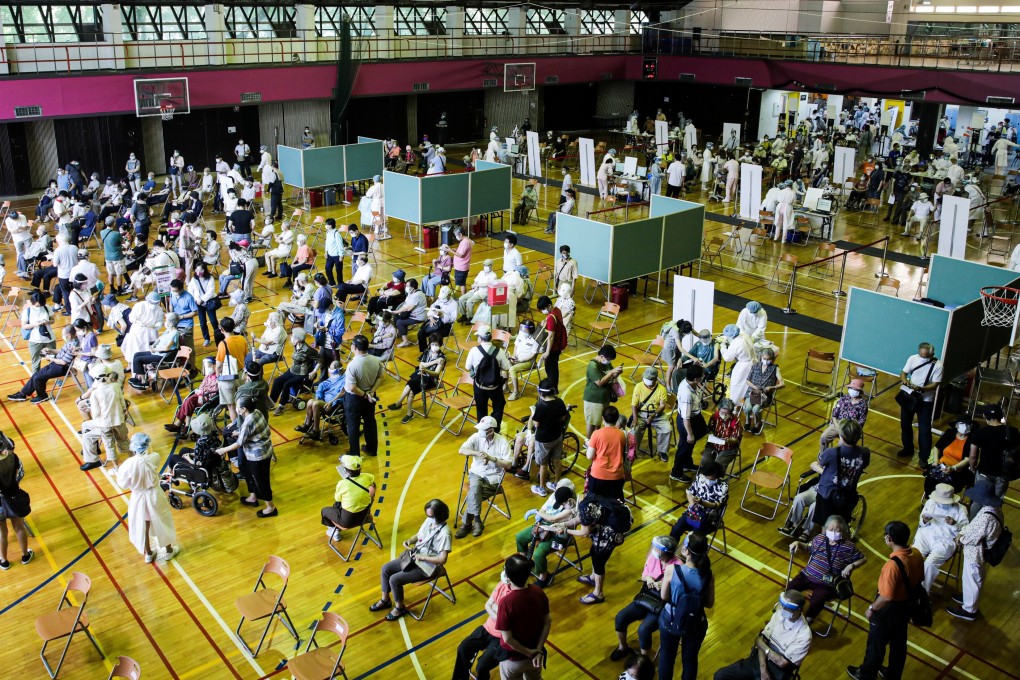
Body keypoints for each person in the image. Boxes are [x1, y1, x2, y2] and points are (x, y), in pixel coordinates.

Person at [846, 521, 923, 680]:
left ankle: (866, 675)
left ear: (889, 539)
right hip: (905, 607)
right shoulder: (916, 554)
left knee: (876, 646)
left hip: (888, 610)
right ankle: (893, 675)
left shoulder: (892, 566)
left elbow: (887, 596)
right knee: (899, 645)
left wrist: (872, 608)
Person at [370, 499, 452, 621]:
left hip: (428, 567)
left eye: (431, 515)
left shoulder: (445, 534)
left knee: (394, 579)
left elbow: (442, 559)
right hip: (415, 557)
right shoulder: (429, 520)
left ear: (439, 516)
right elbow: (419, 536)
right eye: (427, 515)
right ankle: (385, 599)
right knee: (386, 569)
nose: (428, 517)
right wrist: (410, 540)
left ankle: (400, 607)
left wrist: (423, 557)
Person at [712, 590, 812, 680]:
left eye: (788, 607)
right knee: (720, 676)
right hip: (760, 660)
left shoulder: (804, 635)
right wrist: (763, 669)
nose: (783, 609)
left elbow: (782, 663)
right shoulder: (779, 613)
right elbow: (762, 639)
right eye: (782, 605)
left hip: (777, 672)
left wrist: (763, 646)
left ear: (799, 610)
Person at [611, 536, 682, 661]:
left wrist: (666, 585)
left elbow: (679, 591)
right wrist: (648, 578)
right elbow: (644, 575)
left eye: (656, 548)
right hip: (647, 597)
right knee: (620, 617)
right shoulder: (653, 558)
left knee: (643, 630)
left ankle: (644, 661)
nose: (653, 549)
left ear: (664, 552)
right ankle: (622, 647)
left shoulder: (679, 567)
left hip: (663, 604)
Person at [787, 515, 866, 622]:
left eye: (836, 530)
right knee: (790, 588)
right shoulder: (819, 538)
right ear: (826, 529)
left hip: (827, 584)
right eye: (830, 529)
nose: (833, 532)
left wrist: (851, 566)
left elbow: (863, 558)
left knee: (816, 600)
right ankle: (791, 612)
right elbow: (808, 548)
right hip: (807, 576)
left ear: (842, 530)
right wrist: (798, 543)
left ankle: (808, 621)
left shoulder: (849, 547)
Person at [657, 532, 713, 680]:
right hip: (696, 622)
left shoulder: (672, 570)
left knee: (667, 657)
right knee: (690, 660)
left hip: (671, 618)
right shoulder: (707, 574)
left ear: (686, 550)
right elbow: (709, 603)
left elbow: (664, 597)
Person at [946, 482, 1005, 621]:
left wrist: (960, 539)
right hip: (981, 551)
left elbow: (973, 536)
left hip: (976, 553)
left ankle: (969, 609)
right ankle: (968, 597)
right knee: (972, 578)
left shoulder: (986, 516)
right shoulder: (995, 509)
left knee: (972, 578)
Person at [116, 433, 179, 563]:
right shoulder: (154, 457)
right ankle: (168, 551)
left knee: (142, 524)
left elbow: (122, 483)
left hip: (138, 496)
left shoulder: (128, 464)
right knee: (162, 521)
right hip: (154, 494)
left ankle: (148, 553)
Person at [217, 396, 277, 518]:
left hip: (258, 455)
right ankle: (253, 496)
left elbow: (239, 443)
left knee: (262, 481)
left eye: (237, 406)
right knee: (246, 469)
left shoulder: (248, 421)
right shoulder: (257, 412)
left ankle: (271, 507)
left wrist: (223, 450)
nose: (236, 408)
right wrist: (239, 433)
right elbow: (253, 430)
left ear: (243, 409)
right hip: (264, 450)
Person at [495, 553, 552, 680]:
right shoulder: (538, 592)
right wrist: (537, 650)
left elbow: (508, 639)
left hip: (514, 660)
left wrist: (527, 652)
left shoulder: (506, 603)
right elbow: (547, 622)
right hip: (536, 657)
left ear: (508, 577)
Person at [568, 494, 633, 605]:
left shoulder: (586, 512)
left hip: (614, 527)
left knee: (599, 560)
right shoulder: (587, 502)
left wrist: (566, 531)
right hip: (614, 517)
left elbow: (584, 533)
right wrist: (564, 525)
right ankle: (593, 577)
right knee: (594, 551)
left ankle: (598, 593)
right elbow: (581, 520)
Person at [452, 568, 516, 680]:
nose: (503, 572)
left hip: (502, 638)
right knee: (463, 648)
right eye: (504, 569)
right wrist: (499, 613)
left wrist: (495, 607)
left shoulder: (517, 597)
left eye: (506, 570)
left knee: (482, 666)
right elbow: (487, 605)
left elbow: (507, 622)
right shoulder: (502, 584)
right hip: (487, 628)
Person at [455, 416, 513, 539]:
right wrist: (478, 454)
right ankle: (477, 521)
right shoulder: (476, 437)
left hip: (493, 478)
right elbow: (461, 450)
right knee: (475, 488)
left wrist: (491, 458)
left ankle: (466, 524)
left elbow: (508, 464)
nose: (480, 431)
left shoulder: (502, 442)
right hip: (476, 473)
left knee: (473, 493)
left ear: (491, 430)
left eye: (483, 429)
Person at [809, 419, 869, 533]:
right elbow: (863, 465)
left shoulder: (832, 452)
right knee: (842, 525)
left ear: (841, 436)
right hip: (848, 494)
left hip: (827, 494)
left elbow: (820, 462)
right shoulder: (865, 452)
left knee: (825, 526)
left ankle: (826, 548)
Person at [515, 482, 578, 585]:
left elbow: (553, 518)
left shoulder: (572, 507)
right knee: (520, 537)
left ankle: (544, 577)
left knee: (538, 554)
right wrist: (539, 519)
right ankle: (526, 563)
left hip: (559, 534)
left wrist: (536, 512)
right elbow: (544, 509)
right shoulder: (556, 495)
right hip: (544, 525)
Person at [913, 483, 969, 593]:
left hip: (946, 541)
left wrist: (954, 524)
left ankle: (922, 593)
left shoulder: (961, 510)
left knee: (929, 564)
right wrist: (925, 520)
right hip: (926, 534)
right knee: (912, 556)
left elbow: (965, 530)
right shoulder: (930, 503)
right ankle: (908, 584)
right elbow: (921, 522)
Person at [896, 342, 942, 469]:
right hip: (910, 397)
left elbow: (935, 385)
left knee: (925, 430)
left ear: (932, 354)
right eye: (921, 355)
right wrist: (904, 380)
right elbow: (904, 372)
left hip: (925, 400)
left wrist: (922, 388)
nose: (923, 358)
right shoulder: (912, 358)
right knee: (905, 424)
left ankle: (924, 457)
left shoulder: (938, 366)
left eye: (926, 356)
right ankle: (907, 448)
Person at [966, 402, 1017, 514]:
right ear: (1001, 416)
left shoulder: (979, 433)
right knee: (995, 504)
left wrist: (972, 468)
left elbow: (973, 456)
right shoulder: (1012, 431)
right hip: (1003, 474)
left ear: (985, 416)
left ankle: (972, 526)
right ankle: (990, 525)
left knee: (978, 501)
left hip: (984, 472)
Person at [7, 324, 78, 403]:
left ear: (68, 335)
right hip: (56, 364)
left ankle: (42, 396)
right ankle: (22, 394)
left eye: (63, 335)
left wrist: (50, 358)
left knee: (38, 378)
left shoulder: (73, 346)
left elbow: (63, 362)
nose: (62, 336)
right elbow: (61, 351)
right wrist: (50, 350)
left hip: (62, 368)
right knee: (36, 374)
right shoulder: (69, 341)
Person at [388, 335, 445, 424]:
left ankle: (400, 404)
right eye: (433, 344)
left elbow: (436, 373)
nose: (434, 346)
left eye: (436, 344)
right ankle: (408, 412)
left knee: (411, 385)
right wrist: (434, 362)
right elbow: (421, 365)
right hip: (420, 375)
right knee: (411, 388)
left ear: (440, 345)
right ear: (429, 344)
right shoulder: (427, 351)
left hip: (430, 379)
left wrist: (425, 369)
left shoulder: (442, 357)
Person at [344, 335, 384, 457]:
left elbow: (352, 387)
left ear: (354, 347)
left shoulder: (352, 365)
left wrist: (365, 394)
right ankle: (372, 449)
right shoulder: (376, 360)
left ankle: (354, 453)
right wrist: (371, 392)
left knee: (353, 426)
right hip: (370, 397)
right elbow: (381, 377)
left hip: (355, 399)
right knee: (370, 423)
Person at [670, 460, 728, 541]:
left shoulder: (723, 487)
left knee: (693, 538)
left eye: (709, 476)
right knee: (675, 530)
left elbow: (717, 505)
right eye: (705, 475)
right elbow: (689, 492)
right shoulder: (701, 478)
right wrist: (692, 504)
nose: (706, 478)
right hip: (693, 512)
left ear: (716, 474)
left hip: (708, 518)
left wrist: (702, 503)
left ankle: (687, 552)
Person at [465, 325, 510, 429]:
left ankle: (483, 430)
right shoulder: (499, 351)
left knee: (481, 409)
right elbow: (506, 367)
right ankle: (495, 427)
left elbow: (467, 367)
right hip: (495, 386)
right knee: (499, 405)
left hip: (479, 386)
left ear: (480, 338)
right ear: (491, 337)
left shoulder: (474, 350)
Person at [0, 432, 34, 569]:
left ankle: (4, 561)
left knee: (2, 532)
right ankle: (25, 555)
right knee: (19, 527)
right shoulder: (13, 458)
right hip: (14, 496)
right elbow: (21, 474)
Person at [320, 454, 375, 535]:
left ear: (346, 471)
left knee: (325, 510)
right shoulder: (368, 477)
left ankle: (334, 532)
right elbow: (372, 485)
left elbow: (338, 499)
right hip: (365, 516)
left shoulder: (342, 484)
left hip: (348, 521)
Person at [925, 417, 976, 497]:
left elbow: (967, 459)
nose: (965, 426)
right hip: (940, 465)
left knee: (948, 485)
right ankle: (930, 499)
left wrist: (952, 468)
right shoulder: (950, 433)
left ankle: (945, 501)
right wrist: (935, 461)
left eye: (967, 425)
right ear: (956, 425)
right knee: (931, 479)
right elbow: (937, 447)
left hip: (957, 470)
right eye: (962, 424)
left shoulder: (972, 440)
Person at [127, 313, 180, 390]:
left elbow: (166, 348)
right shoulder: (168, 330)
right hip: (156, 352)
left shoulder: (175, 334)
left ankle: (144, 382)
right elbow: (159, 339)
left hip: (162, 356)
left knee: (138, 360)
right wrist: (153, 345)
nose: (165, 322)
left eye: (167, 320)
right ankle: (139, 377)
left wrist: (155, 349)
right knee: (136, 355)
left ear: (171, 323)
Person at [269, 328, 316, 415]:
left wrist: (313, 372)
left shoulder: (308, 350)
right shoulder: (296, 345)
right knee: (277, 381)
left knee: (287, 384)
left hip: (301, 373)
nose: (291, 337)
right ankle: (271, 403)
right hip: (293, 370)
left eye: (293, 336)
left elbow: (320, 360)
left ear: (297, 340)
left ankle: (281, 406)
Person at [674, 364, 708, 483]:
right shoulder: (686, 394)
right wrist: (689, 433)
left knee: (691, 443)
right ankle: (676, 472)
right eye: (702, 376)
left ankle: (687, 464)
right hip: (687, 422)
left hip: (694, 417)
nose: (703, 377)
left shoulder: (689, 383)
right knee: (684, 446)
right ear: (696, 379)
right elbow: (686, 417)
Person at [586, 406, 628, 501]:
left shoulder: (596, 434)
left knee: (594, 503)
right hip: (617, 475)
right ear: (617, 419)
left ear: (602, 418)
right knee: (614, 504)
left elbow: (589, 456)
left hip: (598, 474)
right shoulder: (622, 434)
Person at [296, 360, 345, 440]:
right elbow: (323, 384)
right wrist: (319, 397)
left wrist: (331, 403)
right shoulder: (334, 376)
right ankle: (307, 424)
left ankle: (316, 430)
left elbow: (341, 394)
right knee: (310, 402)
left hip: (333, 404)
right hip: (324, 400)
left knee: (315, 404)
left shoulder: (345, 379)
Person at [631, 367, 671, 462]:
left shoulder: (661, 389)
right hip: (642, 414)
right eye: (646, 378)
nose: (647, 380)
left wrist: (654, 415)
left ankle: (662, 451)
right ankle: (632, 451)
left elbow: (662, 406)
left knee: (667, 429)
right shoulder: (638, 386)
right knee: (634, 430)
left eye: (650, 379)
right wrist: (635, 418)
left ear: (655, 379)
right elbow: (634, 404)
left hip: (657, 414)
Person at [742, 347, 784, 435]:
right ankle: (747, 420)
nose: (766, 361)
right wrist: (754, 387)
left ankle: (758, 423)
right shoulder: (755, 366)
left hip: (764, 395)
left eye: (768, 359)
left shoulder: (775, 369)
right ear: (761, 357)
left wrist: (772, 387)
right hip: (752, 392)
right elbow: (747, 380)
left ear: (772, 359)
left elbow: (782, 384)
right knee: (748, 408)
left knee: (756, 409)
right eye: (764, 359)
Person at [583, 345, 623, 438]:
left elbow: (610, 376)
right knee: (592, 422)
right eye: (608, 359)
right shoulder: (593, 366)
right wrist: (611, 372)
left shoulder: (606, 363)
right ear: (601, 356)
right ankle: (588, 441)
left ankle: (597, 439)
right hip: (594, 399)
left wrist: (616, 373)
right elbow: (600, 382)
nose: (609, 361)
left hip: (604, 398)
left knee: (599, 422)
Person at [819, 378, 869, 451]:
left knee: (842, 445)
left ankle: (841, 460)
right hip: (837, 425)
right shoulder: (844, 398)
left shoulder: (863, 405)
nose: (851, 390)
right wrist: (838, 428)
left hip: (850, 429)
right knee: (824, 437)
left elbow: (860, 423)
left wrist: (846, 431)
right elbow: (834, 415)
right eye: (850, 388)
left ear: (859, 391)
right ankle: (822, 457)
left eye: (854, 389)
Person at [701, 399, 742, 472]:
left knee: (718, 465)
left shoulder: (736, 421)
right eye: (722, 412)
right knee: (705, 461)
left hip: (728, 448)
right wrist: (711, 434)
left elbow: (735, 439)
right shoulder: (715, 416)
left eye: (727, 413)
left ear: (731, 413)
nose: (724, 415)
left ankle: (717, 480)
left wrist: (727, 440)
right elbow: (710, 429)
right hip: (713, 444)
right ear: (719, 410)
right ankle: (706, 478)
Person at [720, 324, 755, 402]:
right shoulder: (744, 335)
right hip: (752, 362)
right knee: (747, 385)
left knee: (737, 385)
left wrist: (723, 347)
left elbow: (728, 358)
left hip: (743, 366)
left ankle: (735, 403)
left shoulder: (736, 344)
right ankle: (746, 402)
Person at [452, 227, 473, 294]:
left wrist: (449, 250)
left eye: (456, 235)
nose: (456, 237)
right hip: (461, 266)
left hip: (462, 266)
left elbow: (461, 255)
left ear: (460, 234)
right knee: (462, 283)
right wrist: (456, 250)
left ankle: (463, 297)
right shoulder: (464, 241)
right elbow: (462, 251)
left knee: (462, 284)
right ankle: (463, 296)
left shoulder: (465, 242)